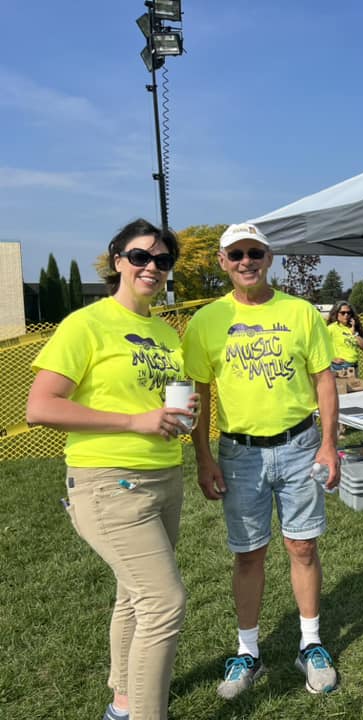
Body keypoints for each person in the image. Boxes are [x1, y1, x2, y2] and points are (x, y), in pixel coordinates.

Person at [26, 218, 197, 720]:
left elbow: (151, 400)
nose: (152, 267)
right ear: (117, 260)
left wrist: (173, 416)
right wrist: (134, 421)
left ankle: (123, 702)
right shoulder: (86, 324)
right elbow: (41, 406)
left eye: (162, 260)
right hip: (110, 483)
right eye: (141, 256)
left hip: (164, 476)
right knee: (164, 602)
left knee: (134, 595)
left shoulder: (164, 331)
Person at [182, 222, 342, 698]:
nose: (246, 262)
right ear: (222, 262)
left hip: (299, 445)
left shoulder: (301, 312)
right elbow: (199, 394)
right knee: (249, 553)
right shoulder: (206, 321)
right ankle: (248, 651)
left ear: (269, 258)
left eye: (254, 252)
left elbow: (324, 381)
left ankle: (310, 644)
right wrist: (203, 458)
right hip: (240, 453)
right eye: (236, 255)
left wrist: (329, 444)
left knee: (303, 546)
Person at [326, 300, 363, 374]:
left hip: (354, 365)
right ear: (336, 313)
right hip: (340, 366)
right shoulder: (332, 328)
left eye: (348, 313)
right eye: (343, 313)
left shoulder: (353, 327)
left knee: (354, 382)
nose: (346, 315)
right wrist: (331, 358)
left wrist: (354, 333)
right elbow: (319, 345)